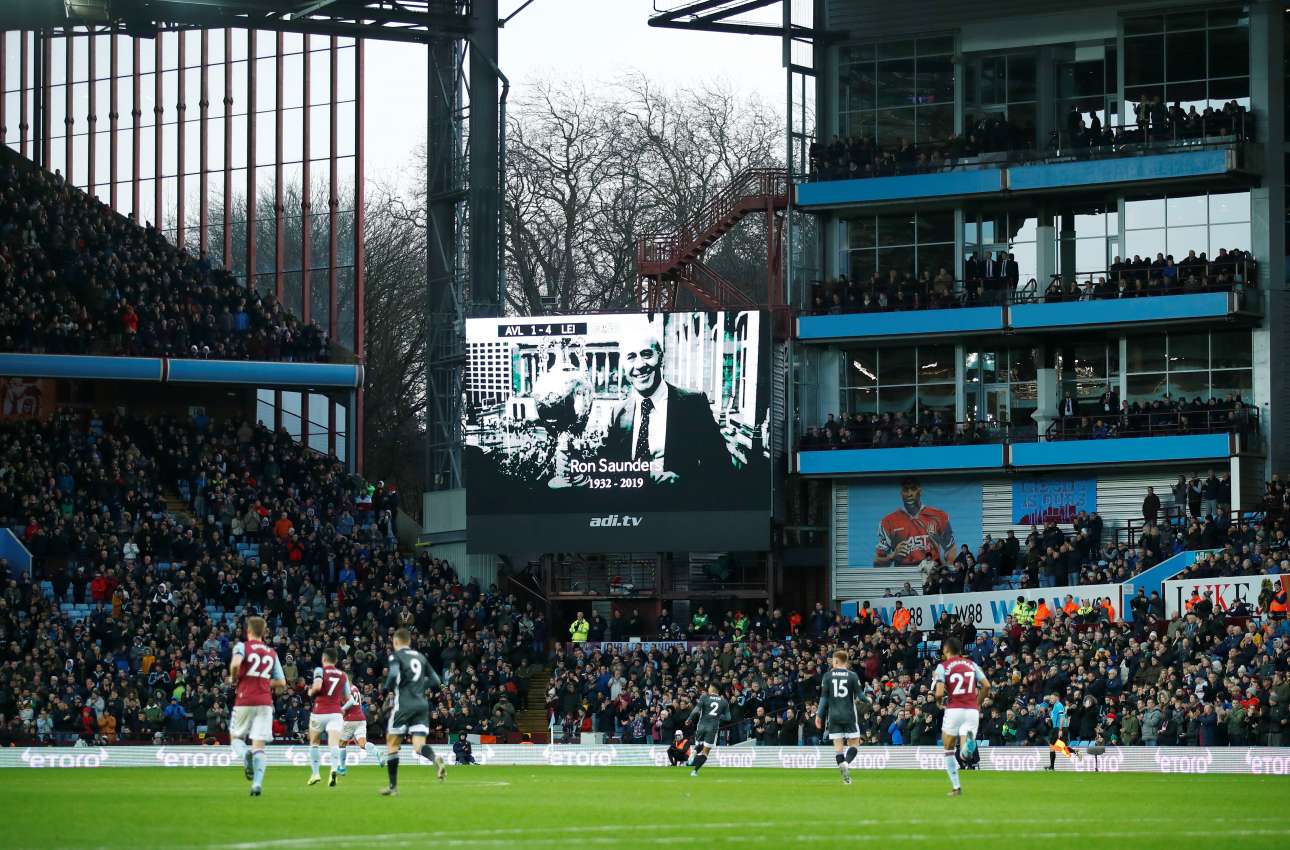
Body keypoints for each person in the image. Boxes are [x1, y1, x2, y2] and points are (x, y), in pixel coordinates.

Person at [602, 329, 731, 487]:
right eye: (631, 357)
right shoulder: (618, 413)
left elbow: (721, 468)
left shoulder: (694, 404)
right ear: (623, 365)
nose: (640, 365)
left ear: (661, 358)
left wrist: (683, 483)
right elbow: (608, 470)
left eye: (646, 354)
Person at [382, 627, 446, 796]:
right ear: (409, 641)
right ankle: (435, 759)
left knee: (392, 744)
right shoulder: (420, 656)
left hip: (404, 704)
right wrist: (419, 687)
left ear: (396, 641)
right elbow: (436, 680)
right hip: (421, 705)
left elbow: (393, 674)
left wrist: (387, 688)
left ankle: (393, 787)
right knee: (418, 745)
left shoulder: (396, 656)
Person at [228, 616, 285, 797]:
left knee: (236, 737)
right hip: (265, 702)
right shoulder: (271, 652)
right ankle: (256, 785)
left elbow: (235, 664)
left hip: (245, 699)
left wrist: (234, 678)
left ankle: (245, 753)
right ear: (264, 632)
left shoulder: (242, 647)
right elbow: (282, 682)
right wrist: (263, 682)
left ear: (249, 631)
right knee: (259, 746)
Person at [932, 636, 989, 797]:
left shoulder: (943, 667)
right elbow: (986, 686)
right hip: (971, 711)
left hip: (954, 709)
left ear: (946, 649)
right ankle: (966, 751)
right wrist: (977, 703)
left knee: (948, 748)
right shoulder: (972, 664)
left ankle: (956, 787)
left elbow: (939, 693)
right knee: (964, 750)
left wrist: (938, 702)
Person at [875, 477, 954, 566]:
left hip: (932, 572)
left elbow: (951, 549)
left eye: (913, 489)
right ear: (901, 493)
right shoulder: (888, 522)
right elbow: (877, 562)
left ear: (920, 491)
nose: (909, 494)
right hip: (904, 573)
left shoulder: (939, 516)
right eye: (906, 490)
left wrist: (947, 570)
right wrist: (892, 556)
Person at [815, 649, 864, 785]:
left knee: (838, 747)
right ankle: (846, 763)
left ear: (836, 661)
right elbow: (861, 696)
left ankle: (846, 778)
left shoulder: (827, 676)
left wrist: (818, 714)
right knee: (854, 743)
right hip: (849, 715)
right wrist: (869, 700)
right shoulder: (852, 675)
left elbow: (824, 698)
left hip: (833, 716)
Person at [306, 648, 350, 787]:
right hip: (335, 713)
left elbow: (317, 687)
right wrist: (341, 705)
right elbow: (348, 697)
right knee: (334, 744)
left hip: (319, 712)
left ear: (324, 659)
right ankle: (333, 770)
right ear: (336, 661)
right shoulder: (343, 675)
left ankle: (315, 774)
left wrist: (310, 692)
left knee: (314, 742)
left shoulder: (320, 670)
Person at [337, 680, 385, 775]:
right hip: (361, 719)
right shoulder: (355, 688)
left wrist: (342, 709)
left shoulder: (345, 690)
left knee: (341, 744)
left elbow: (351, 701)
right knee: (363, 744)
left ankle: (342, 768)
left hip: (350, 720)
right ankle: (377, 752)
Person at [686, 683, 730, 777]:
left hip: (701, 726)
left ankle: (694, 751)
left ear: (713, 688)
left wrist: (689, 718)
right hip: (712, 728)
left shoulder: (704, 697)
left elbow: (696, 710)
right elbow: (728, 718)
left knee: (700, 745)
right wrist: (718, 715)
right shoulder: (724, 701)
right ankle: (694, 771)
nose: (708, 689)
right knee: (706, 752)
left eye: (709, 687)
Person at [1046, 692, 1080, 769]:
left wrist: (1060, 730)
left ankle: (1052, 766)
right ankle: (1052, 766)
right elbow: (1056, 718)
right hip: (1056, 728)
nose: (1050, 700)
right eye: (1050, 698)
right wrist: (1049, 719)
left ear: (1057, 698)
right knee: (1057, 747)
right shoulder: (1055, 706)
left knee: (1057, 747)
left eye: (1052, 698)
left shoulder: (1059, 705)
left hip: (1060, 728)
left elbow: (1062, 717)